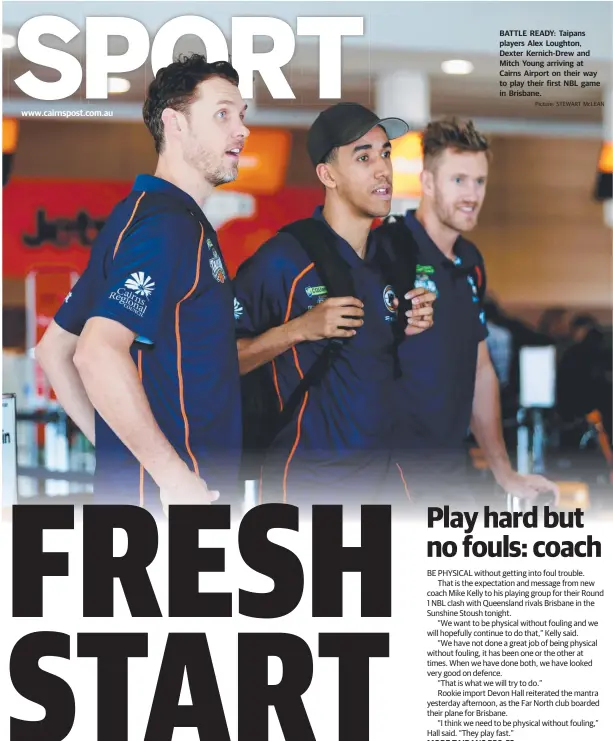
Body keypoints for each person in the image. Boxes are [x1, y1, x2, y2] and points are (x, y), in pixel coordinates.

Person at [35, 54, 250, 512]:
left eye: (241, 115)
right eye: (222, 114)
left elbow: (55, 350)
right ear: (175, 124)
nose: (242, 129)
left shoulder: (152, 216)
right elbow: (94, 352)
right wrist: (170, 476)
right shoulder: (163, 225)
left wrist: (123, 452)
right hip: (177, 504)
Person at [233, 102, 436, 504]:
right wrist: (299, 329)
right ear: (327, 174)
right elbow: (217, 359)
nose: (383, 169)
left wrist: (410, 322)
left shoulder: (391, 259)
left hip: (387, 488)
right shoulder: (283, 259)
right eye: (363, 157)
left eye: (385, 154)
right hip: (306, 489)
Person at [376, 117, 558, 504]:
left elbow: (480, 368)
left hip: (450, 469)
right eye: (458, 180)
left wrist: (503, 471)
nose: (472, 194)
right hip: (388, 473)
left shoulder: (470, 262)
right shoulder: (387, 250)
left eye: (479, 181)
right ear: (427, 182)